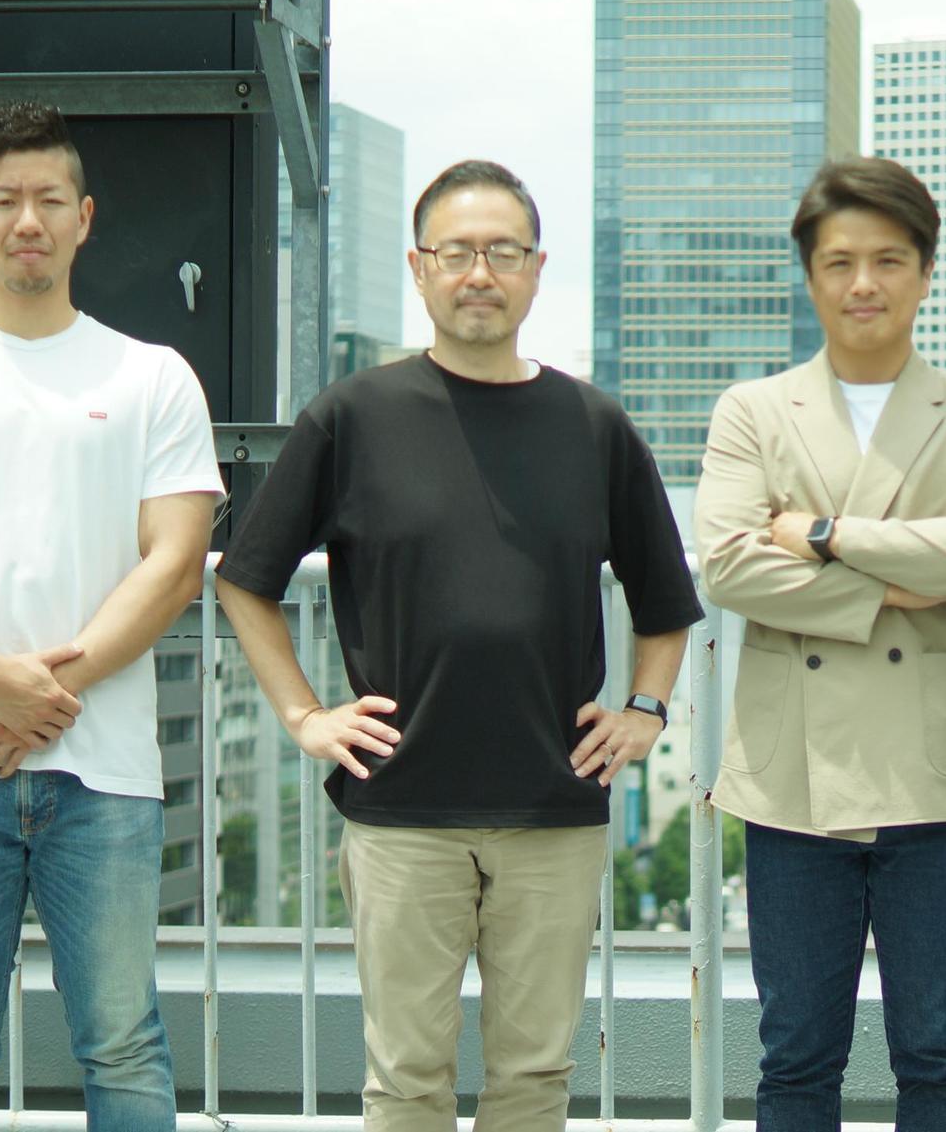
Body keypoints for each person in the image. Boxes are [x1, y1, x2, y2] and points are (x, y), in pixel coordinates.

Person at [215, 160, 702, 1132]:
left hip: (553, 805)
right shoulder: (352, 417)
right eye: (457, 252)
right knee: (406, 1080)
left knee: (535, 1076)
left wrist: (646, 711)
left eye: (503, 252)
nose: (480, 272)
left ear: (536, 269)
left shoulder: (594, 424)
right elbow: (245, 578)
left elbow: (664, 602)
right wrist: (305, 715)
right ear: (420, 266)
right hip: (401, 808)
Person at [693, 156, 946, 1130]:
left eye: (888, 260)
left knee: (938, 1053)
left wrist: (825, 535)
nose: (863, 284)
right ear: (809, 275)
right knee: (796, 1055)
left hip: (931, 772)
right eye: (839, 262)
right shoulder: (754, 409)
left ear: (926, 272)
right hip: (792, 778)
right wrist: (900, 586)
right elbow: (727, 567)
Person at [0, 102, 222, 1129]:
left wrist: (40, 696)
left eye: (50, 200)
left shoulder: (151, 375)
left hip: (103, 772)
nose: (29, 221)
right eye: (5, 200)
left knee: (124, 1044)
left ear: (85, 217)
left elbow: (176, 562)